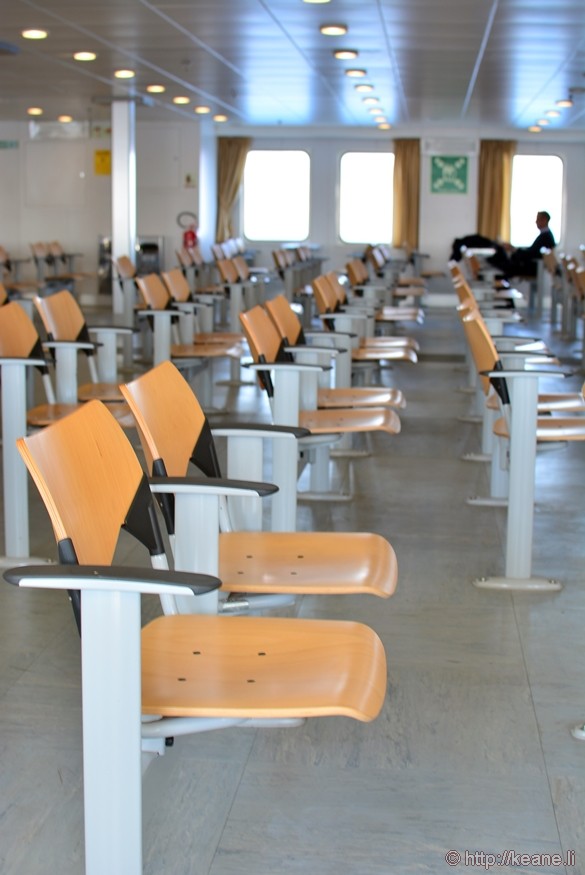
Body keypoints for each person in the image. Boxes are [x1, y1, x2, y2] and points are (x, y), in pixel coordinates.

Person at [487, 211, 555, 278]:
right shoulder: (545, 235)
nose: (536, 222)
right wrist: (514, 249)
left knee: (502, 264)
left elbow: (532, 253)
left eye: (538, 219)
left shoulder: (545, 236)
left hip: (532, 267)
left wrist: (514, 249)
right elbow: (532, 251)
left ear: (544, 220)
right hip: (532, 264)